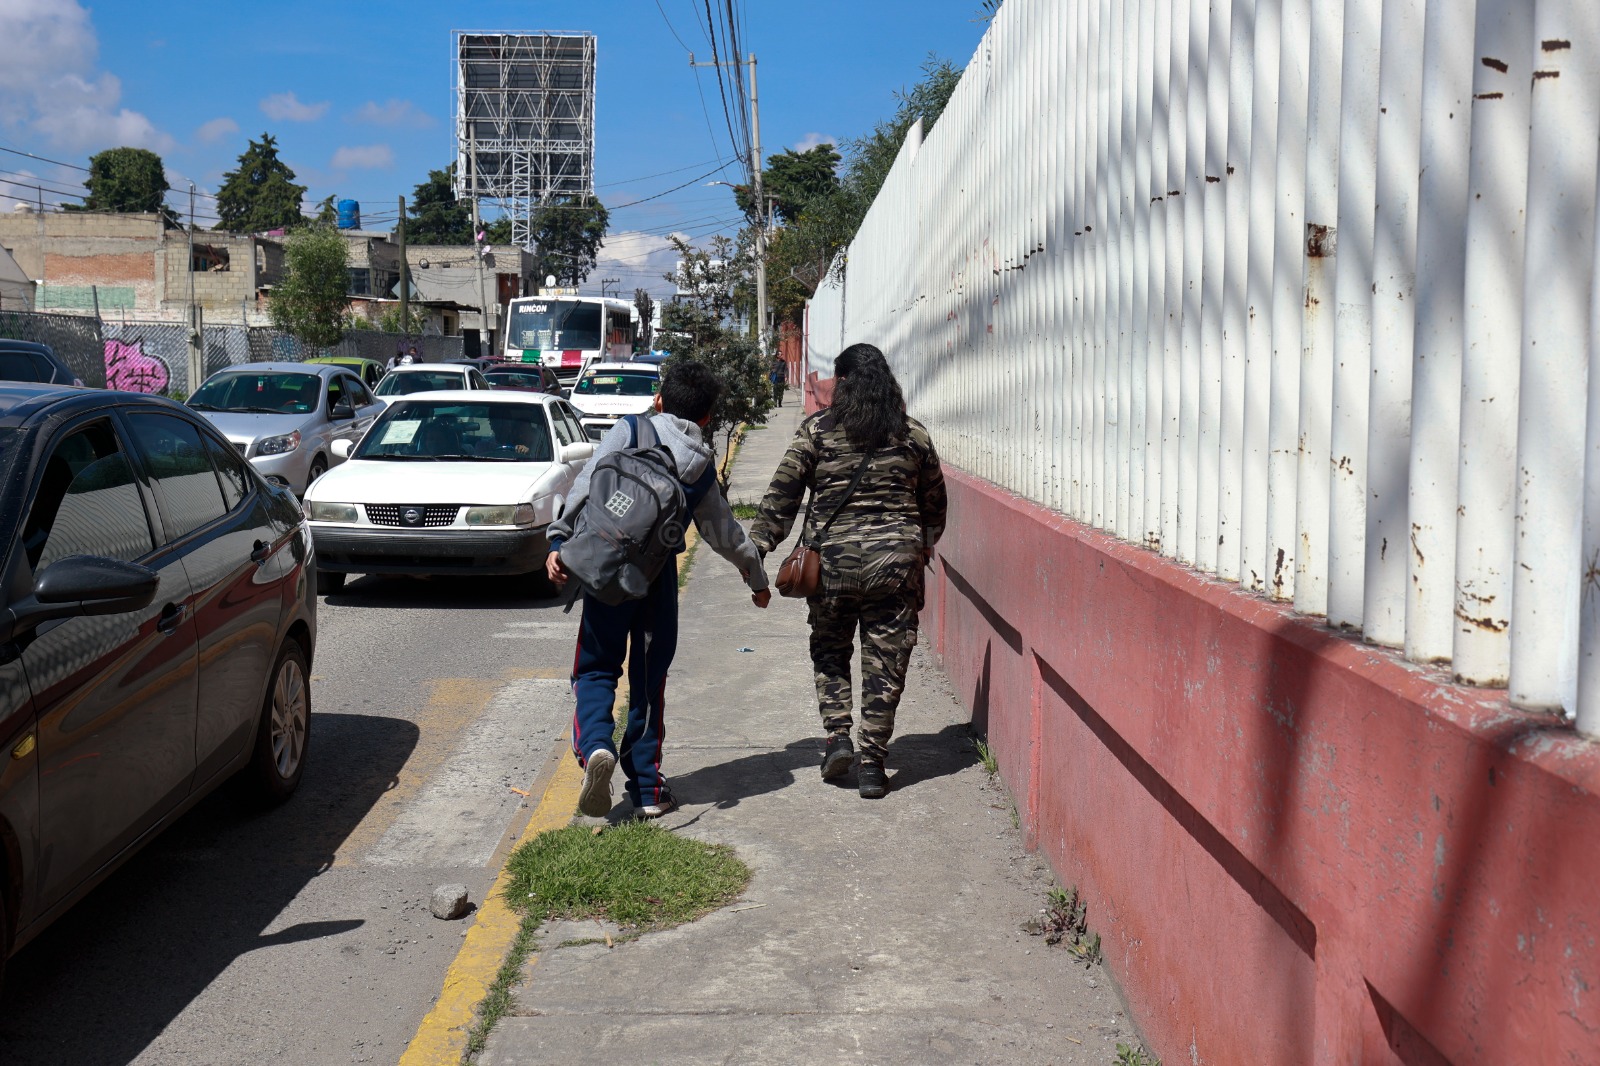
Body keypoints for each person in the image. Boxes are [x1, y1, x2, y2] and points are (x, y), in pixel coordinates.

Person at [547, 360, 772, 818]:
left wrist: (559, 540)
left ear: (658, 400)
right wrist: (756, 579)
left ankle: (594, 747)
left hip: (604, 570)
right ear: (706, 419)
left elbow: (588, 484)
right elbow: (723, 532)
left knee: (595, 669)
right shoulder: (700, 464)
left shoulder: (628, 430)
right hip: (657, 582)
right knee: (649, 685)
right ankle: (648, 790)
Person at [749, 343, 947, 799]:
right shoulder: (913, 436)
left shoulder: (816, 432)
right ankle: (873, 764)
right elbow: (935, 505)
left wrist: (757, 550)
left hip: (832, 566)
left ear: (841, 385)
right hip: (895, 568)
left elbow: (782, 497)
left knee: (830, 650)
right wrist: (923, 542)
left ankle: (838, 736)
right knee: (886, 664)